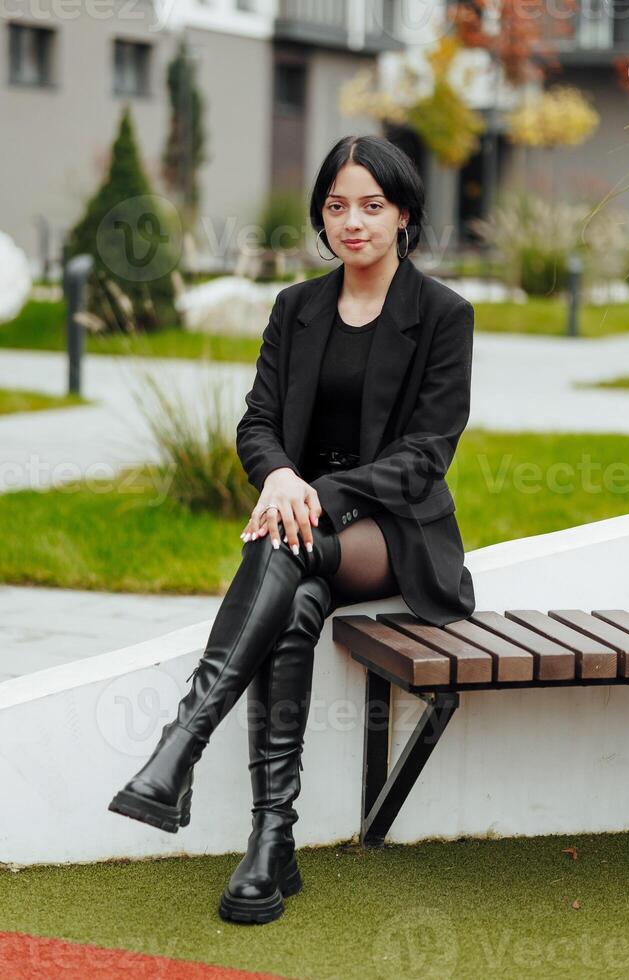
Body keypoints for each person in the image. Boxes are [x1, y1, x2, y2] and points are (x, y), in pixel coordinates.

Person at [108, 134, 476, 925]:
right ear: (321, 216)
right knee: (298, 603)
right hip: (303, 522)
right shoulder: (298, 308)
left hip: (395, 528)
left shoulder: (444, 315)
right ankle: (271, 844)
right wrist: (278, 475)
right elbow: (260, 421)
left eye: (373, 206)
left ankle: (184, 743)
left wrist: (316, 492)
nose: (354, 222)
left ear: (404, 215)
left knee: (286, 539)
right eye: (338, 206)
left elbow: (426, 455)